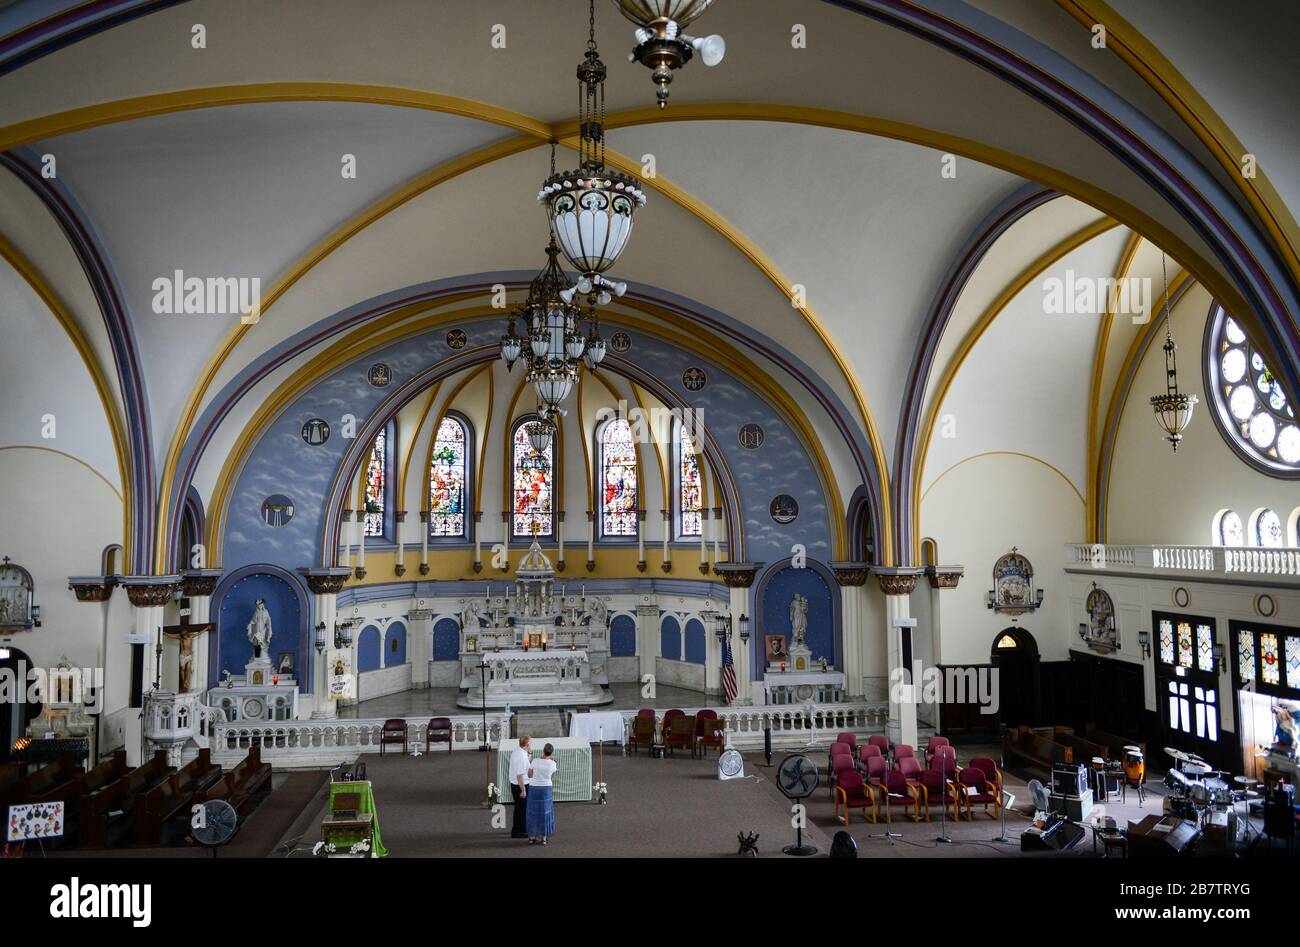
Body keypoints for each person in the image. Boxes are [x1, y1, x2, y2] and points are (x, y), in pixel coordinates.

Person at [526, 742, 558, 845]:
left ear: (543, 751)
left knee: (532, 811)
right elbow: (551, 777)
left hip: (534, 788)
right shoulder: (553, 764)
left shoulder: (535, 761)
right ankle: (543, 838)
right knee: (545, 812)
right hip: (546, 789)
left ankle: (531, 837)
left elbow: (529, 775)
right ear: (551, 753)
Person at [508, 735, 531, 840]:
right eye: (529, 743)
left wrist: (529, 752)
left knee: (520, 809)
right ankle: (519, 831)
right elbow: (520, 775)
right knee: (521, 809)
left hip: (517, 784)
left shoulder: (519, 750)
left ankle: (517, 829)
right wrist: (523, 790)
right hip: (520, 785)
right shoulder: (521, 756)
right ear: (527, 744)